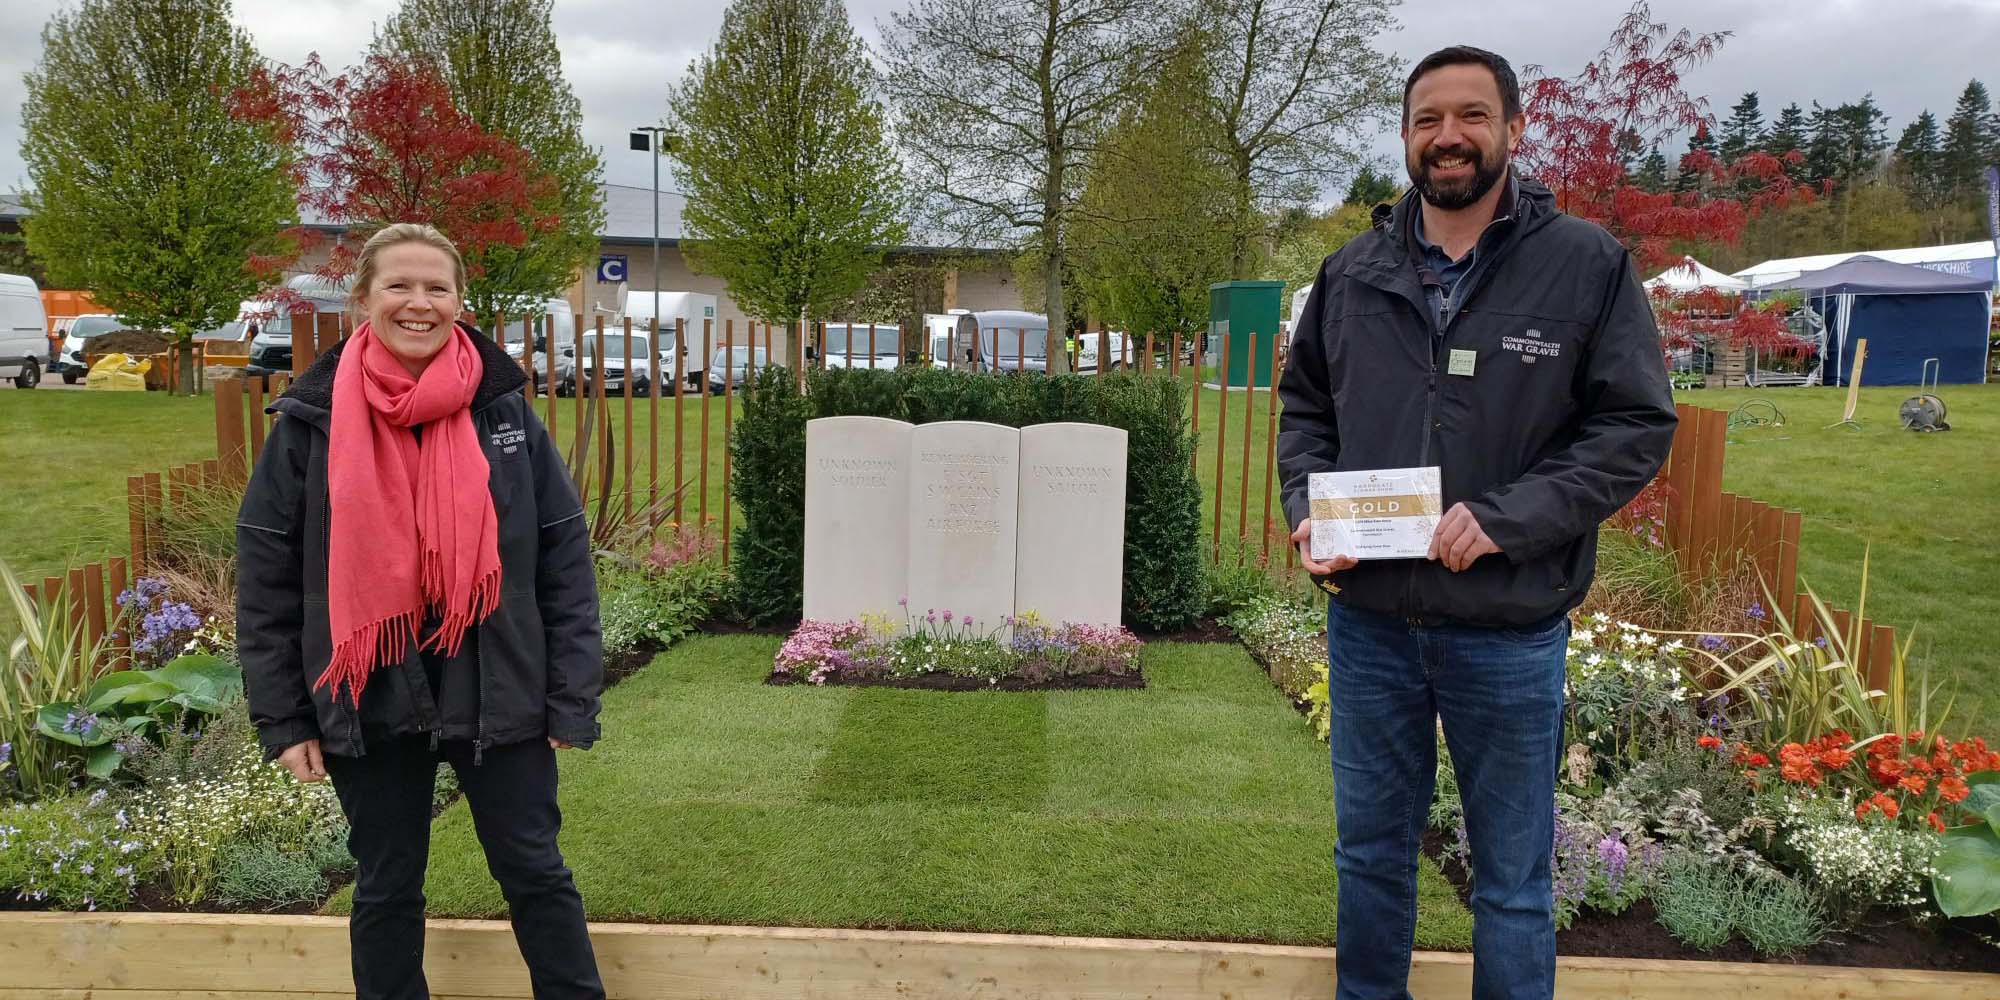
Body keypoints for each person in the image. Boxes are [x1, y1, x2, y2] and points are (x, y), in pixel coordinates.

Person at [1276, 46, 1677, 1000]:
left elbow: (1635, 424)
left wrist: (1507, 519)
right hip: (1371, 623)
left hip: (1508, 629)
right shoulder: (1352, 270)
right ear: (1407, 137)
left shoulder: (1583, 265)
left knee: (1510, 883)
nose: (1447, 138)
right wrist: (1309, 508)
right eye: (1427, 120)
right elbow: (1306, 414)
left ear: (1511, 129)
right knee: (1370, 858)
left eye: (1469, 117)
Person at [236, 223, 607, 1000]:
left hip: (500, 691)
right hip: (371, 693)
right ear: (364, 298)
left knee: (537, 876)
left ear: (460, 302)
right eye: (399, 285)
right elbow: (267, 583)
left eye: (437, 287)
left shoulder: (504, 414)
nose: (419, 303)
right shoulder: (310, 424)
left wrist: (570, 698)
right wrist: (285, 720)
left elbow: (564, 562)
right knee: (386, 886)